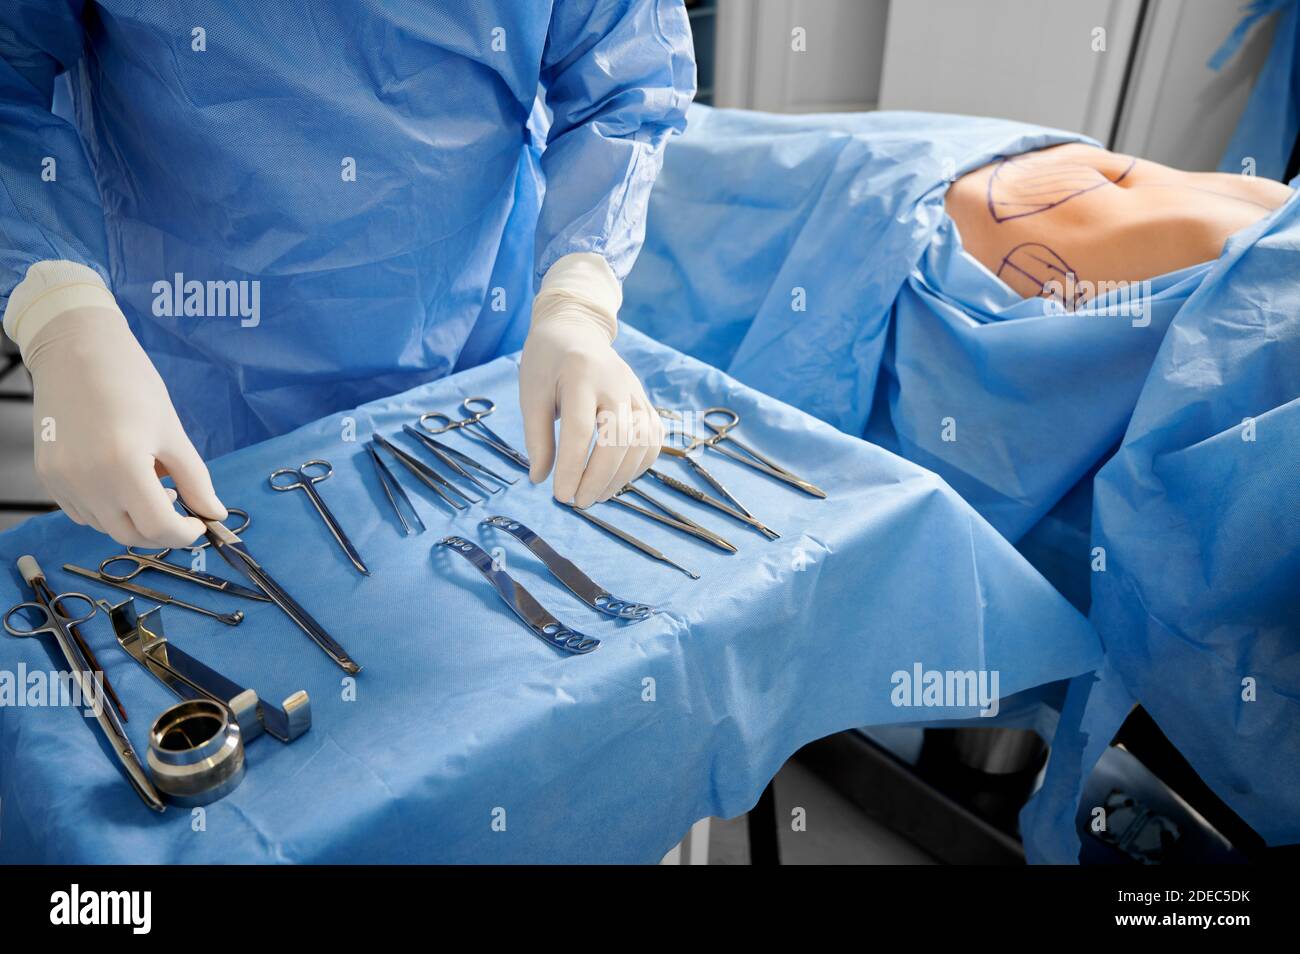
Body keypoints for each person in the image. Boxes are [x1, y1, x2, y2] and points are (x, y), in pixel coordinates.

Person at [1, 2, 695, 548]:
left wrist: (576, 301)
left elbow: (621, 79)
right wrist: (63, 317)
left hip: (481, 337)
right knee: (234, 575)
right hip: (202, 364)